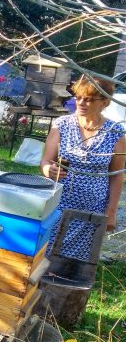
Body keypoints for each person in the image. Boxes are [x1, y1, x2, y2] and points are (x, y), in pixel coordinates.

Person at [41, 76, 125, 260]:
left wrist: (110, 213)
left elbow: (116, 176)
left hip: (91, 212)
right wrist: (48, 170)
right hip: (57, 206)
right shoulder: (61, 125)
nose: (81, 103)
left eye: (88, 99)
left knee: (77, 263)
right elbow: (45, 162)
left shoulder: (115, 133)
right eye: (79, 97)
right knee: (44, 258)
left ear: (105, 102)